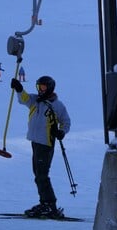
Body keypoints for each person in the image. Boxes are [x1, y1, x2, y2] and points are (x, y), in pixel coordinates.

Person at [10, 76, 71, 219]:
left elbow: (66, 121)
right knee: (37, 174)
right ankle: (45, 203)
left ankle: (50, 204)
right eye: (39, 87)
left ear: (50, 88)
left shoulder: (57, 105)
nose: (40, 90)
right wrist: (19, 88)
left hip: (46, 143)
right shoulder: (35, 100)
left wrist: (61, 132)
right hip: (35, 142)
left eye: (43, 87)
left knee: (42, 175)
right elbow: (24, 98)